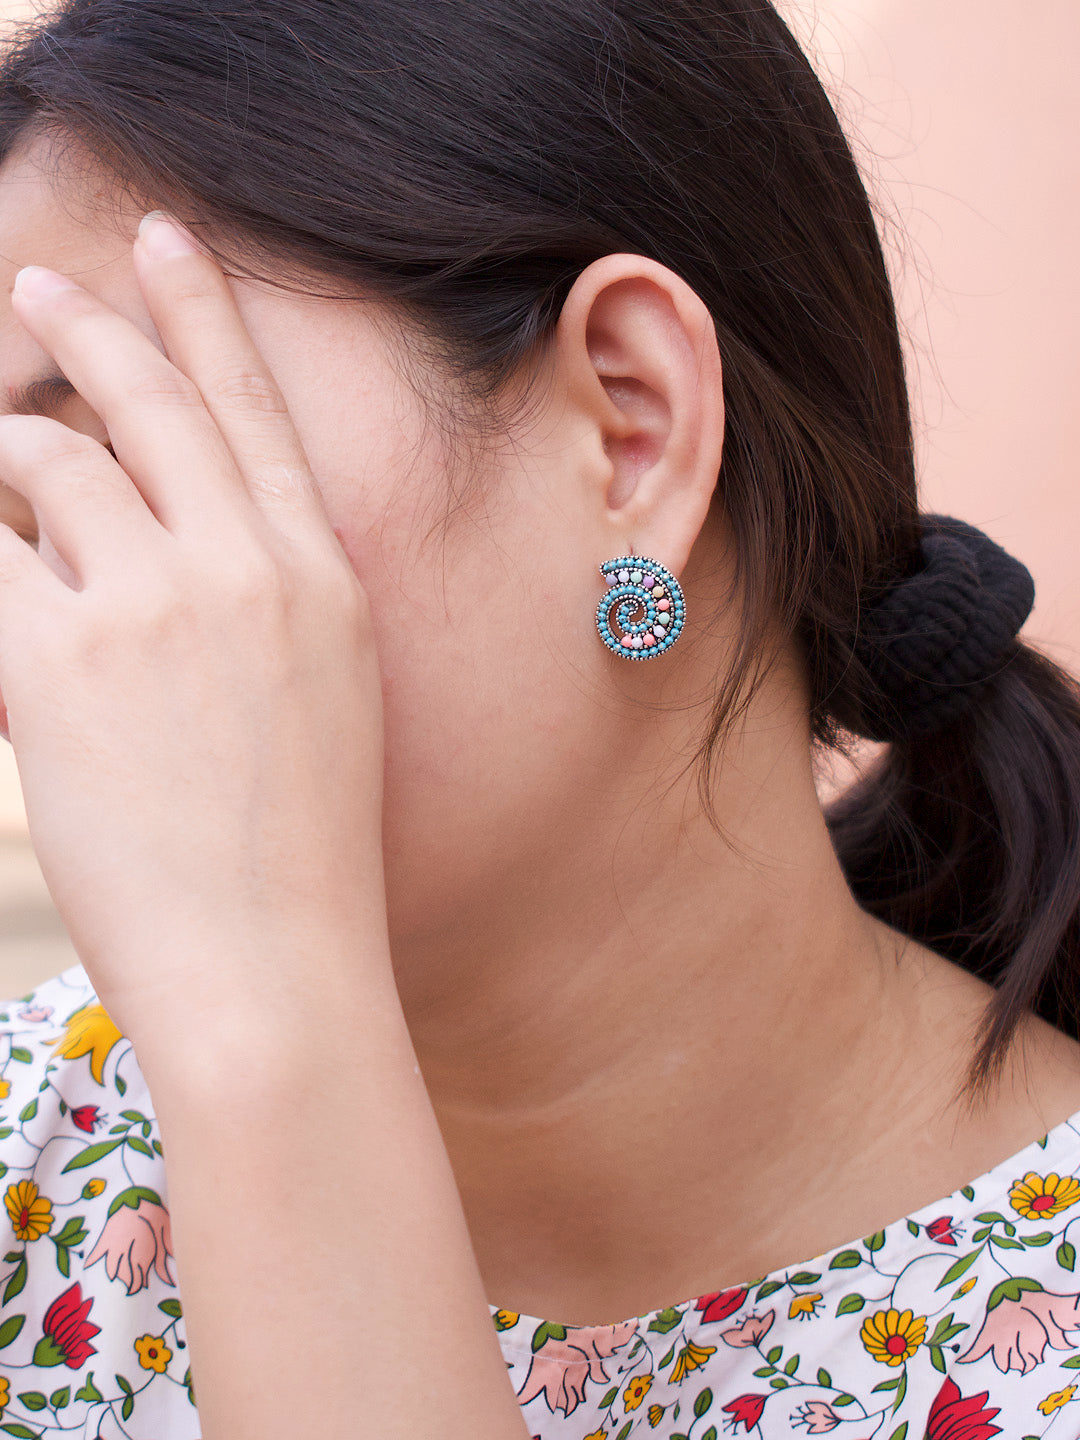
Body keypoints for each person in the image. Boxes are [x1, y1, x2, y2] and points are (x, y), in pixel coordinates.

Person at [0, 0, 1076, 1436]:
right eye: (20, 518)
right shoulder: (35, 1157)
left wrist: (271, 1032)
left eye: (137, 455)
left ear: (629, 428)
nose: (59, 647)